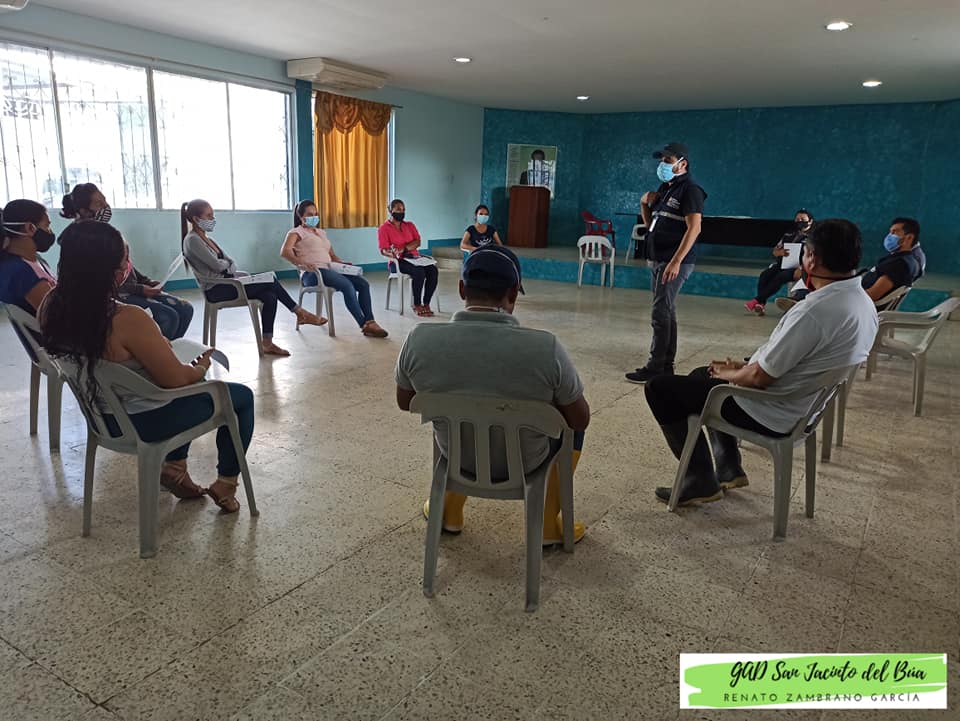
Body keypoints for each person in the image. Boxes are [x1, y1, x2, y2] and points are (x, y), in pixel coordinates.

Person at [643, 219, 878, 506]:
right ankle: (729, 467)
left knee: (659, 389)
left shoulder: (814, 311)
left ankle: (699, 479)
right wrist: (738, 369)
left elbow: (760, 378)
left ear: (812, 259)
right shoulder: (863, 303)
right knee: (701, 375)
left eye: (804, 252)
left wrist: (733, 374)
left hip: (772, 411)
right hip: (804, 408)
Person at [39, 220, 255, 512]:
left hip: (101, 418)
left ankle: (175, 469)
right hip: (146, 422)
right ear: (112, 270)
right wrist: (200, 367)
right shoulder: (126, 318)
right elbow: (176, 380)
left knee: (189, 386)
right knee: (239, 397)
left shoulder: (50, 305)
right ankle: (226, 483)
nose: (127, 266)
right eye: (124, 260)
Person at [395, 245, 591, 544]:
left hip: (457, 459)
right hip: (527, 464)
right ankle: (546, 525)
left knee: (457, 422)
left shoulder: (418, 339)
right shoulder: (545, 348)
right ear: (513, 294)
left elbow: (405, 402)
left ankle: (447, 510)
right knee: (572, 429)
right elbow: (580, 419)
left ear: (462, 289)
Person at [181, 199, 326, 356]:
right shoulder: (192, 240)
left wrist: (227, 265)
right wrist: (227, 264)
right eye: (209, 216)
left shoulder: (207, 239)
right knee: (271, 280)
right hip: (217, 290)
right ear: (196, 219)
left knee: (270, 295)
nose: (213, 219)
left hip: (228, 282)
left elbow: (229, 263)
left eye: (213, 215)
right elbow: (217, 265)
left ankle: (267, 343)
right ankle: (300, 313)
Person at [62, 183, 193, 340]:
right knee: (168, 317)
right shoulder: (79, 240)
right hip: (112, 295)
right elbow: (99, 283)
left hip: (131, 289)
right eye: (99, 204)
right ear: (84, 211)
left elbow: (126, 264)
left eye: (105, 201)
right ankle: (154, 353)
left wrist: (146, 281)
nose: (106, 207)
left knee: (185, 309)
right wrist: (140, 289)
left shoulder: (106, 232)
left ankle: (171, 350)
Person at [626, 142, 707, 384]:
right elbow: (652, 223)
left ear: (683, 164)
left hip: (673, 260)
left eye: (668, 161)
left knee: (660, 313)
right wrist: (643, 204)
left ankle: (655, 367)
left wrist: (676, 261)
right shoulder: (666, 189)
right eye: (661, 160)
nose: (663, 165)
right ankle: (666, 365)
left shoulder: (690, 190)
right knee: (666, 311)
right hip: (659, 258)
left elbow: (694, 228)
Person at [280, 200, 388, 338]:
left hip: (330, 269)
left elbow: (332, 255)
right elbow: (285, 252)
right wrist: (301, 263)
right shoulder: (296, 232)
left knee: (363, 284)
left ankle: (370, 321)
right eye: (309, 214)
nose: (314, 217)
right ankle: (364, 325)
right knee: (347, 285)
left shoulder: (321, 233)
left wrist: (343, 264)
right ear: (301, 216)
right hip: (313, 274)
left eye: (315, 214)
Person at [776, 217, 927, 313]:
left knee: (822, 281)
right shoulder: (903, 259)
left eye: (894, 232)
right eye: (890, 232)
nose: (889, 236)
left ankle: (801, 302)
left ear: (909, 238)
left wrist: (841, 294)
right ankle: (800, 300)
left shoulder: (901, 264)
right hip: (855, 294)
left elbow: (873, 295)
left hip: (857, 304)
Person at [744, 209, 813, 316]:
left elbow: (815, 256)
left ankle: (756, 300)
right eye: (797, 219)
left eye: (803, 219)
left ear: (810, 221)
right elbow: (775, 251)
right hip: (783, 263)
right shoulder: (789, 234)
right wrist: (780, 252)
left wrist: (802, 268)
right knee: (765, 275)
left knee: (781, 276)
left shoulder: (814, 237)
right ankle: (761, 303)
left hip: (799, 268)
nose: (800, 221)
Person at [378, 198, 439, 317]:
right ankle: (417, 304)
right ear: (390, 210)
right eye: (398, 209)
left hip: (414, 258)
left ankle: (426, 303)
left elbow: (417, 242)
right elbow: (383, 250)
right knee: (419, 272)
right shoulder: (384, 229)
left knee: (433, 270)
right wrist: (392, 253)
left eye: (403, 210)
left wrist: (404, 248)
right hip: (398, 262)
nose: (401, 212)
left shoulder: (409, 225)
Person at [0, 199, 57, 314]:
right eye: (47, 226)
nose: (50, 232)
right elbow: (58, 314)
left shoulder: (34, 260)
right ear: (30, 228)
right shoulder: (21, 273)